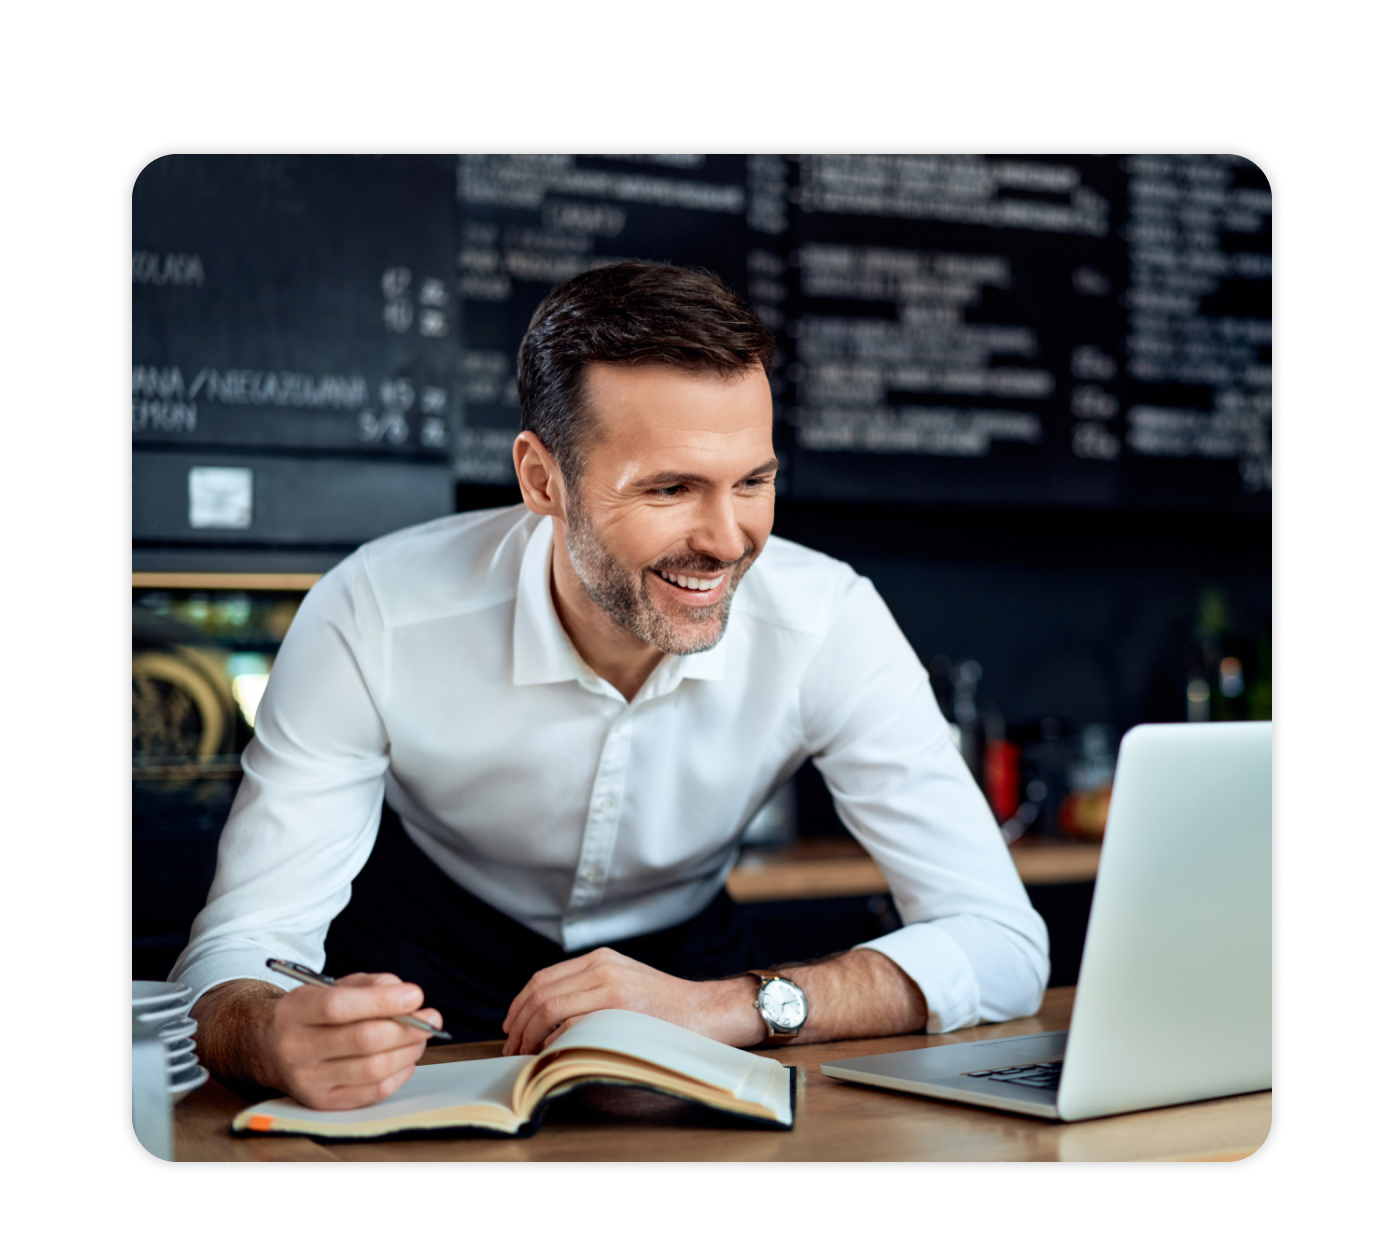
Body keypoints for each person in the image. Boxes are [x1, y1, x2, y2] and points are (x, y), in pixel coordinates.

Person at [178, 262, 1048, 1111]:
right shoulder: (373, 612)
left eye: (753, 481)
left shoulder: (828, 620)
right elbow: (236, 952)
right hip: (424, 988)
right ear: (541, 478)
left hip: (691, 987)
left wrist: (727, 1006)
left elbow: (1004, 944)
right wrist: (270, 1033)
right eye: (670, 488)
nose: (726, 538)